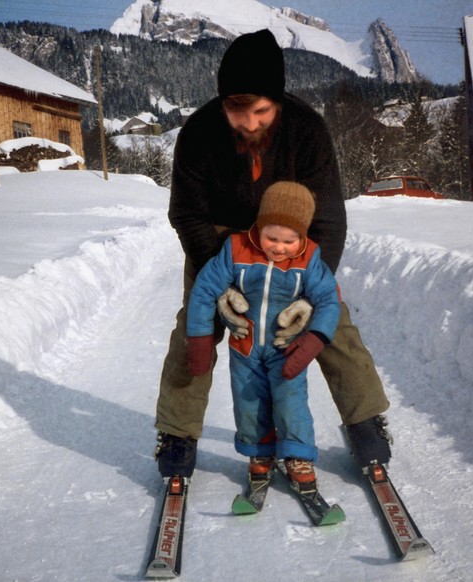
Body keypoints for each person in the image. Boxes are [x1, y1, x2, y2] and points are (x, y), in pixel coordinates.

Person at [155, 29, 391, 478]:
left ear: (277, 102)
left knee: (332, 321)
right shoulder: (199, 133)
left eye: (260, 112)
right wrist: (218, 280)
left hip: (291, 240)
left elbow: (328, 220)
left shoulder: (307, 131)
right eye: (235, 111)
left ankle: (365, 422)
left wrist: (310, 290)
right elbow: (186, 213)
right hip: (222, 242)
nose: (248, 124)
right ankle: (176, 432)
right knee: (196, 325)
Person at [186, 182, 341, 487]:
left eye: (289, 241)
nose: (279, 247)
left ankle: (298, 453)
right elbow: (204, 289)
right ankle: (259, 453)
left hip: (286, 346)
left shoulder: (309, 259)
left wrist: (314, 339)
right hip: (245, 345)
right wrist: (200, 337)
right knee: (249, 402)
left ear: (304, 236)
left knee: (290, 399)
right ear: (259, 226)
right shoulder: (236, 248)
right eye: (271, 237)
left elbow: (328, 299)